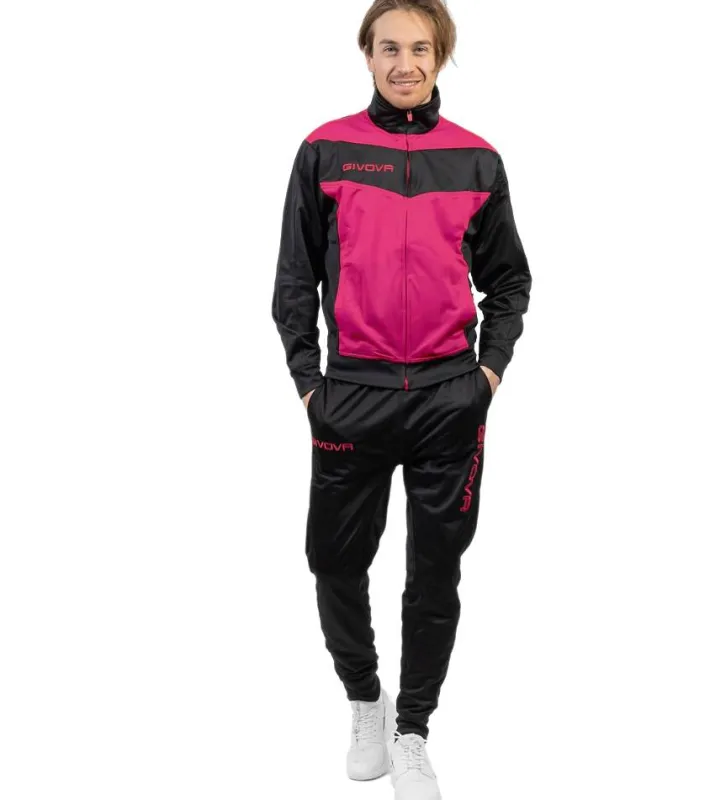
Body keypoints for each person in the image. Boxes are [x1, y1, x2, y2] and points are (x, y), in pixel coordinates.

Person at [272, 1, 531, 797]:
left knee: (435, 571)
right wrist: (311, 385)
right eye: (389, 48)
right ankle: (365, 700)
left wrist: (486, 376)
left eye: (420, 49)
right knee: (332, 561)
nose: (405, 64)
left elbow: (510, 282)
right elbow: (294, 281)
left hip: (449, 401)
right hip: (352, 395)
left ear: (439, 55)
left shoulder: (477, 159)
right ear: (368, 54)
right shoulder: (326, 150)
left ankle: (413, 730)